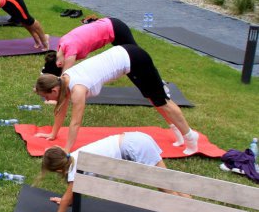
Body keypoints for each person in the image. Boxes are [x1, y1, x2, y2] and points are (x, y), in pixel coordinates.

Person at [38, 133, 208, 212]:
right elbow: (71, 194)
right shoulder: (74, 156)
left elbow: (69, 195)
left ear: (59, 169)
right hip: (136, 139)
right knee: (172, 185)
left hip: (133, 147)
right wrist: (65, 201)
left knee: (168, 191)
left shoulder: (75, 166)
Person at [33, 44, 199, 154]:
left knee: (162, 102)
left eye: (47, 96)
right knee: (151, 97)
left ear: (54, 89)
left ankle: (191, 138)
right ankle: (176, 129)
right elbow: (61, 107)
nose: (48, 100)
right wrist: (53, 134)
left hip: (135, 59)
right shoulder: (63, 80)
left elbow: (76, 122)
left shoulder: (77, 89)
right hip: (125, 58)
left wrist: (67, 149)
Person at [42, 17, 137, 75]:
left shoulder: (70, 51)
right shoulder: (61, 46)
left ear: (59, 64)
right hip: (110, 24)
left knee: (135, 58)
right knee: (130, 61)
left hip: (116, 28)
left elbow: (65, 77)